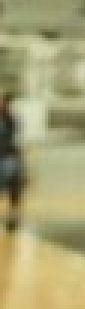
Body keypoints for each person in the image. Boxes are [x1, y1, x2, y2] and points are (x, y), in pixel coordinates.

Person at [0, 91, 21, 232]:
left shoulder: (11, 119)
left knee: (14, 188)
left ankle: (12, 218)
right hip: (6, 157)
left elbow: (12, 139)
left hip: (8, 156)